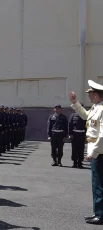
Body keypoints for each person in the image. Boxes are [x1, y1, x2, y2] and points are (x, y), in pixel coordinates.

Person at [70, 80, 103, 225]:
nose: (89, 96)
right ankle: (98, 212)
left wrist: (93, 153)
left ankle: (100, 215)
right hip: (98, 152)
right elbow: (85, 115)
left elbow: (102, 135)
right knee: (97, 184)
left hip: (100, 153)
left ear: (96, 95)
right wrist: (75, 102)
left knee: (98, 185)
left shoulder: (102, 110)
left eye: (90, 94)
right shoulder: (96, 108)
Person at [68, 103, 87, 168]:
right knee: (74, 149)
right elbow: (70, 125)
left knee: (81, 149)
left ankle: (80, 162)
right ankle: (74, 162)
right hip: (74, 135)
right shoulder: (73, 115)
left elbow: (88, 126)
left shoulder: (85, 116)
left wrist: (87, 135)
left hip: (82, 134)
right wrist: (70, 134)